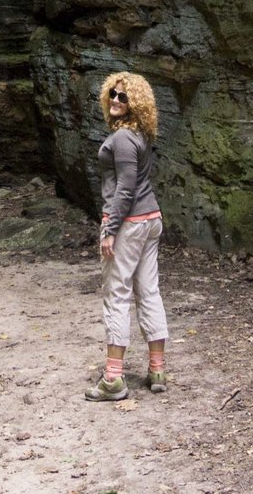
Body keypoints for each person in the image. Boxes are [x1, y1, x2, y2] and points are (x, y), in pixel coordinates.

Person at [87, 71, 165, 400]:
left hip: (130, 223)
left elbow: (125, 189)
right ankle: (157, 370)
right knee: (148, 292)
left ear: (135, 103)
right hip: (151, 220)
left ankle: (113, 379)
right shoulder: (140, 135)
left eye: (123, 97)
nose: (116, 100)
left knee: (117, 295)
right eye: (113, 94)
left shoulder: (122, 138)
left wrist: (110, 229)